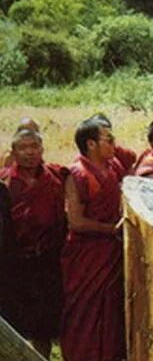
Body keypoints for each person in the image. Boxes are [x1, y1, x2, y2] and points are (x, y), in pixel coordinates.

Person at [59, 117, 127, 361]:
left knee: (110, 309)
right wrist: (112, 229)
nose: (114, 144)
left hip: (111, 253)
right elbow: (76, 222)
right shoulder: (78, 173)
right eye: (109, 139)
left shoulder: (114, 166)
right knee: (85, 309)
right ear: (91, 144)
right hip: (87, 254)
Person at [0, 129, 67, 358]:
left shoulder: (55, 177)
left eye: (34, 147)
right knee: (14, 322)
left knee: (44, 326)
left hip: (48, 261)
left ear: (42, 149)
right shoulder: (5, 181)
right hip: (16, 263)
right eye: (23, 148)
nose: (30, 152)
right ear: (13, 153)